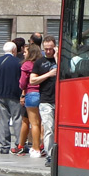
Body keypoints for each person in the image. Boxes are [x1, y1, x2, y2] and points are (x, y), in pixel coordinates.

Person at [0, 41, 23, 154]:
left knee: (3, 120)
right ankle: (19, 144)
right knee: (17, 119)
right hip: (15, 95)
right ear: (14, 50)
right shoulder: (18, 62)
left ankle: (4, 146)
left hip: (1, 95)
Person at [32, 37, 58, 166]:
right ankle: (50, 155)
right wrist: (48, 74)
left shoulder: (60, 60)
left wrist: (57, 56)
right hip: (46, 100)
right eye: (46, 49)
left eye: (51, 49)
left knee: (60, 129)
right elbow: (32, 80)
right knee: (49, 128)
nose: (48, 51)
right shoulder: (39, 63)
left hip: (60, 100)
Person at [17, 41, 44, 158]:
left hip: (31, 94)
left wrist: (22, 88)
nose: (24, 54)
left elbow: (22, 83)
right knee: (41, 122)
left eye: (26, 52)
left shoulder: (26, 65)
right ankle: (43, 146)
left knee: (34, 124)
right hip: (43, 94)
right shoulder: (42, 63)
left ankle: (36, 147)